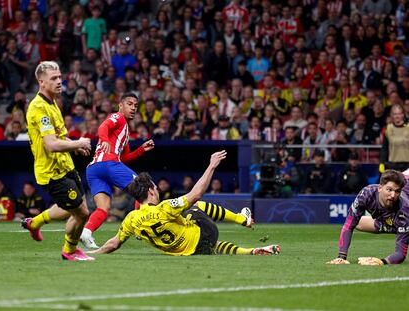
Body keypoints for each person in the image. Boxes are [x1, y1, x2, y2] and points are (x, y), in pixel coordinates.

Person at [90, 151, 281, 256]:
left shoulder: (131, 219)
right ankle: (242, 220)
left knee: (208, 244)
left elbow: (114, 243)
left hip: (187, 250)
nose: (157, 190)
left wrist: (95, 252)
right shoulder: (165, 207)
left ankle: (250, 251)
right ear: (150, 191)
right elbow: (196, 194)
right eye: (155, 188)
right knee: (194, 206)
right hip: (205, 233)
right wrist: (211, 166)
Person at [22, 61, 94, 261]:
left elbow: (60, 137)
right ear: (41, 82)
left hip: (65, 166)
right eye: (54, 78)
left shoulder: (52, 103)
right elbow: (51, 144)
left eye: (60, 77)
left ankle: (35, 223)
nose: (59, 81)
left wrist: (75, 145)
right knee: (81, 213)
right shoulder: (38, 108)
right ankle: (69, 251)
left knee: (75, 210)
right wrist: (78, 142)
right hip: (51, 171)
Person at [80, 92, 155, 249]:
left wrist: (141, 149)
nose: (133, 108)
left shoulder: (125, 131)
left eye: (135, 105)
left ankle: (86, 233)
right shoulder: (118, 117)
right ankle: (139, 227)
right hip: (108, 164)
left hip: (94, 170)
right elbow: (103, 126)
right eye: (129, 104)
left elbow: (125, 158)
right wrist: (105, 140)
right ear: (120, 106)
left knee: (104, 207)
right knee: (146, 188)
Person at [327, 169, 409, 265]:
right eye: (389, 190)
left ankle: (396, 228)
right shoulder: (367, 194)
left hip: (403, 217)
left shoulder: (404, 209)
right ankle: (390, 226)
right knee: (356, 222)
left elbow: (400, 254)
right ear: (380, 188)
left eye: (397, 191)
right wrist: (341, 257)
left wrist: (382, 261)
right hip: (390, 219)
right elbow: (348, 225)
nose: (393, 195)